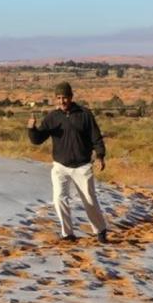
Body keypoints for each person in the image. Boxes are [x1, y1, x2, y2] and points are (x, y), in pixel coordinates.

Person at [27, 82, 108, 243]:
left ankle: (100, 231)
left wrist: (100, 156)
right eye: (58, 98)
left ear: (71, 97)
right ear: (55, 99)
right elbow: (38, 140)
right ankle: (68, 234)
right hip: (60, 166)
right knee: (59, 199)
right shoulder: (52, 117)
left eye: (64, 97)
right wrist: (32, 129)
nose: (62, 101)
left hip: (82, 165)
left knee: (89, 200)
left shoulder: (84, 114)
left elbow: (96, 138)